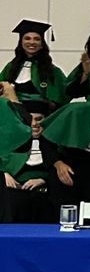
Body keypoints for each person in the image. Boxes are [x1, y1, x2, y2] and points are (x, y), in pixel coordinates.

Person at [0, 91, 52, 223]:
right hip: (14, 192)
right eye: (30, 119)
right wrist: (4, 174)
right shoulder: (13, 141)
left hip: (44, 193)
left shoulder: (55, 144)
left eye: (39, 119)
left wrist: (43, 179)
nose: (34, 124)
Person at [4, 20, 67, 108]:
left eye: (37, 39)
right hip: (12, 108)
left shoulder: (51, 70)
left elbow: (63, 95)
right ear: (21, 42)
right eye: (27, 38)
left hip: (38, 109)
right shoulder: (11, 66)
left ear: (42, 44)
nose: (32, 42)